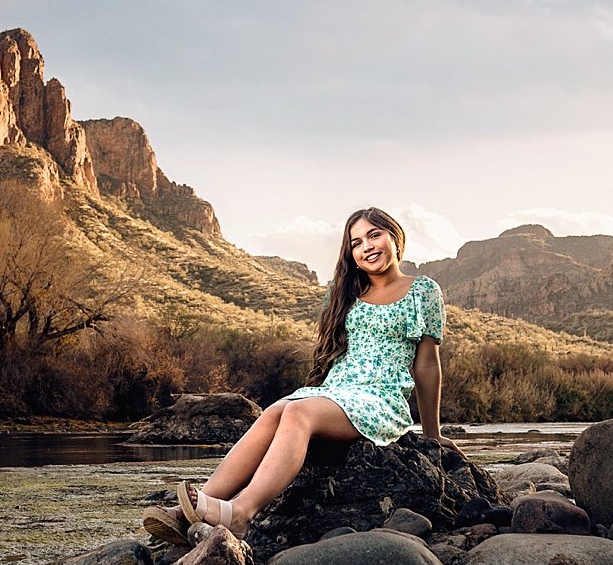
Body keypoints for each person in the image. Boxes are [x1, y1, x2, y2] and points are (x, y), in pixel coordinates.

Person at [148, 207, 445, 542]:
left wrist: (433, 436)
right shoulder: (346, 291)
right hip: (338, 390)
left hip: (379, 398)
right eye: (356, 242)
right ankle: (198, 506)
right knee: (275, 411)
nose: (367, 247)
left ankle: (242, 512)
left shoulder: (423, 291)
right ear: (352, 254)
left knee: (298, 412)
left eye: (374, 235)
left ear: (395, 237)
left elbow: (427, 365)